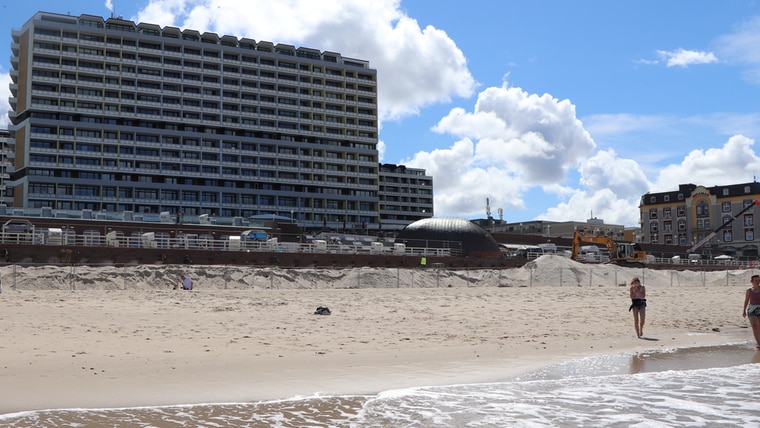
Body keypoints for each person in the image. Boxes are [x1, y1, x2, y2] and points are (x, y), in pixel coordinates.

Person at [742, 274, 760, 349]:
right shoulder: (749, 290)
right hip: (751, 310)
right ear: (752, 281)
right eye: (756, 280)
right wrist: (744, 311)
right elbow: (746, 300)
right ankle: (758, 343)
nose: (758, 281)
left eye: (759, 280)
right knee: (754, 326)